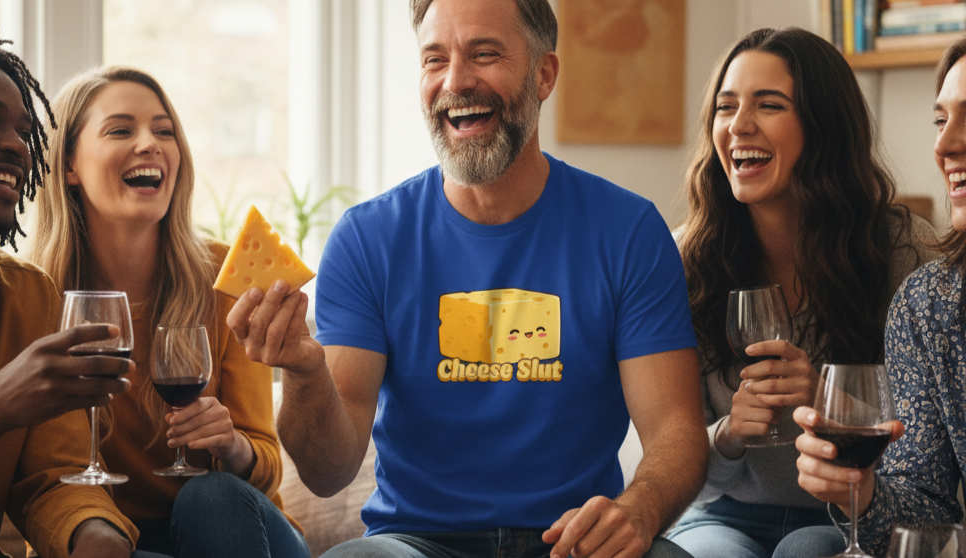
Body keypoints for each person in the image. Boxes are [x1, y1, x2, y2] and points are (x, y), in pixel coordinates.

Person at [227, 1, 708, 557]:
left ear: (543, 74)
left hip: (572, 543)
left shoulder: (628, 231)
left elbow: (676, 430)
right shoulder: (367, 239)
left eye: (484, 54)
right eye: (435, 60)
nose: (455, 81)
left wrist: (638, 510)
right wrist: (307, 372)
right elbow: (328, 471)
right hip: (416, 543)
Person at [666, 27, 936, 558]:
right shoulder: (684, 260)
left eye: (769, 105)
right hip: (722, 512)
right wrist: (727, 434)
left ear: (823, 126)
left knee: (808, 552)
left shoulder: (902, 251)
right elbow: (670, 452)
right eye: (725, 107)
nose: (739, 125)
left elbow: (925, 452)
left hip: (846, 515)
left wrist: (824, 401)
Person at [28, 66, 309, 558]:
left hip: (243, 533)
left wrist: (231, 445)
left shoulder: (226, 279)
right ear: (69, 165)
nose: (150, 144)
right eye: (121, 129)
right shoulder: (36, 299)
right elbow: (54, 477)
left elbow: (266, 465)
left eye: (164, 131)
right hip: (128, 542)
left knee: (210, 495)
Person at [790, 34, 966, 558]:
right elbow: (925, 504)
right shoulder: (930, 303)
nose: (945, 144)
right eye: (940, 120)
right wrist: (863, 492)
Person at [0, 28, 142, 558]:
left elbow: (56, 477)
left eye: (25, 130)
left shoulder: (28, 298)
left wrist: (96, 537)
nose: (15, 144)